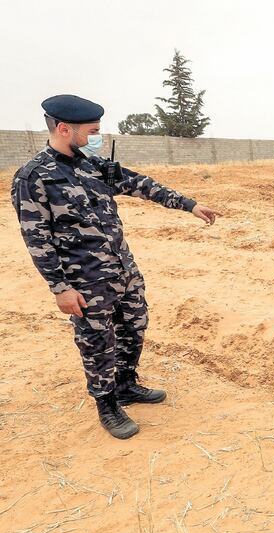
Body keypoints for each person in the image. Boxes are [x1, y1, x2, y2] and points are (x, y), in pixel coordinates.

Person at [10, 94, 221, 439]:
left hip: (123, 270)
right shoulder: (33, 178)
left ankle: (125, 383)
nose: (98, 138)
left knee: (134, 326)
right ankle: (106, 404)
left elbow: (141, 184)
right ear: (64, 129)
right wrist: (60, 288)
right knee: (97, 341)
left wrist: (190, 205)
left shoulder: (93, 165)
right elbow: (37, 239)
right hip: (84, 281)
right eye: (93, 131)